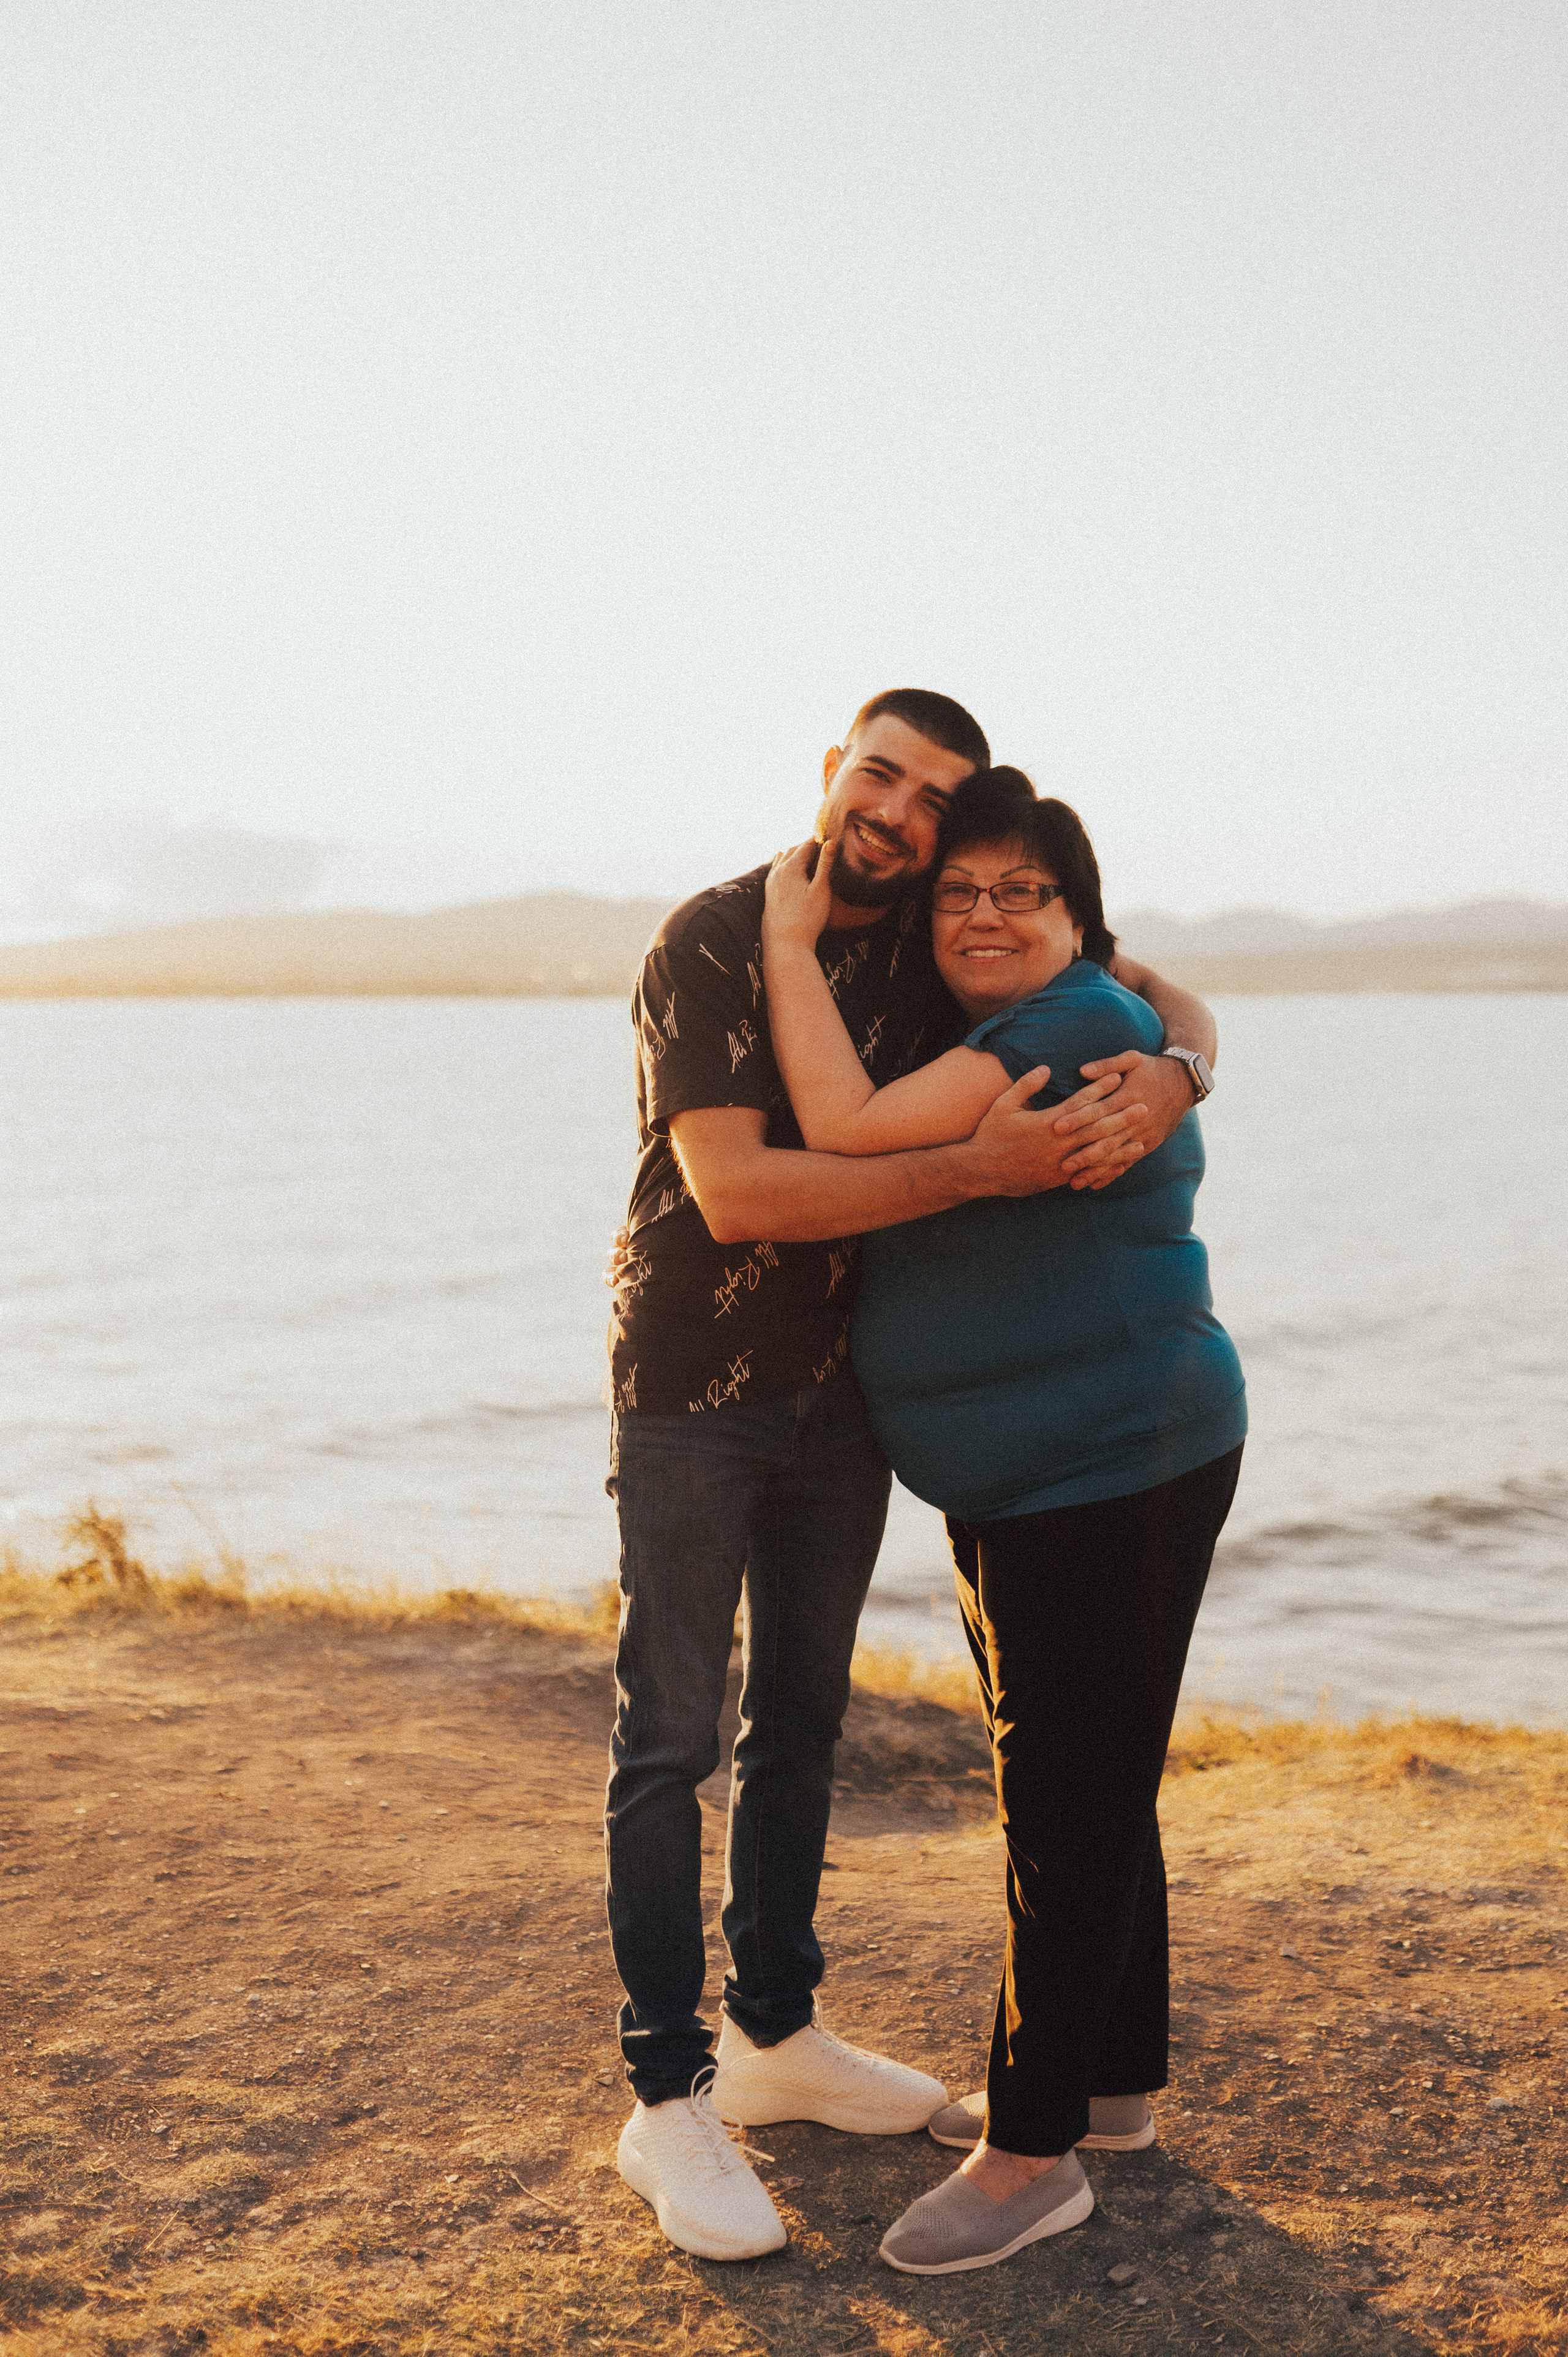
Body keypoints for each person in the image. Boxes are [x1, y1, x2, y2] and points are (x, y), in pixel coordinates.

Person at [606, 693, 1218, 2262]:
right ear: (835, 773)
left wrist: (1181, 1070)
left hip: (879, 1415)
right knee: (676, 1732)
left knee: (828, 1726)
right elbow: (742, 1187)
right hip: (699, 1384)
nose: (902, 820)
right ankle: (671, 2097)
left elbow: (1138, 993)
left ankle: (804, 2044)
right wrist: (992, 1159)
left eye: (939, 810)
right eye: (879, 777)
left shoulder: (955, 955)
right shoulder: (722, 934)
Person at [760, 765, 1245, 2276]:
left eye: (1019, 892)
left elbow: (837, 1127)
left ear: (1072, 918)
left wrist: (779, 948)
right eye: (959, 891)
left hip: (1107, 1462)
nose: (981, 912)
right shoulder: (1083, 1013)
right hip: (1044, 1467)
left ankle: (1029, 2152)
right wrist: (1188, 1050)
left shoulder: (1048, 1042)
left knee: (1064, 1794)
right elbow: (1168, 994)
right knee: (1098, 1774)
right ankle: (1106, 2092)